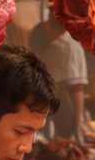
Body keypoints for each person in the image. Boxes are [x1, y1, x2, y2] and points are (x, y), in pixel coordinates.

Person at [37, 14, 88, 142]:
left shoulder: (70, 48)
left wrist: (77, 131)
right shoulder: (53, 48)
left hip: (65, 121)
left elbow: (77, 89)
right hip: (54, 117)